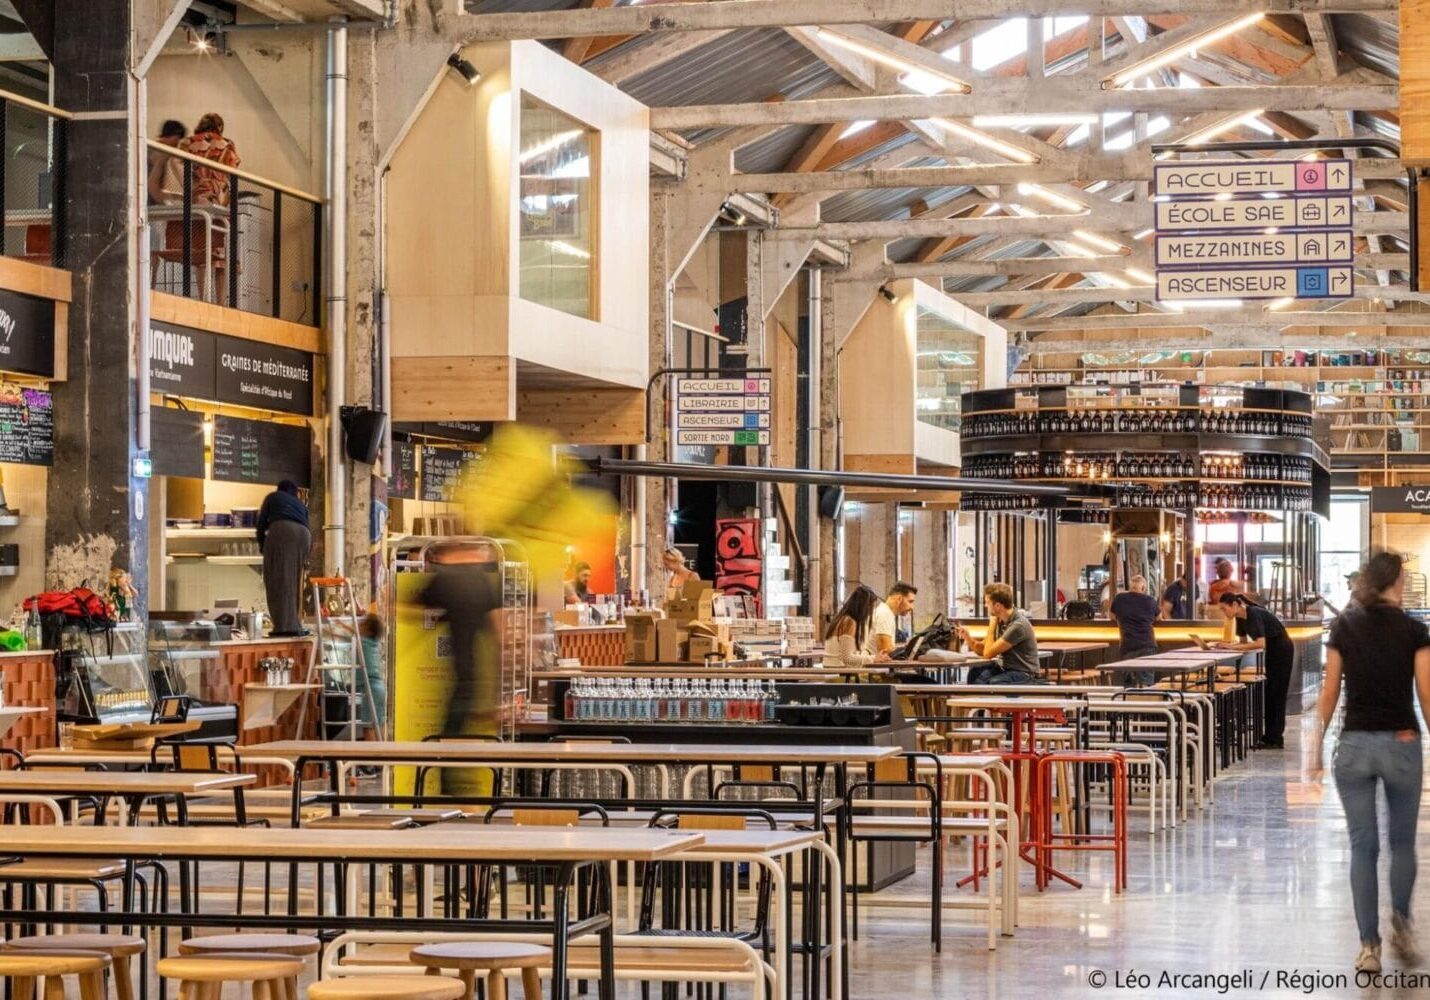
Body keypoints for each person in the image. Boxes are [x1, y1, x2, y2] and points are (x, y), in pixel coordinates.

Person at [1311, 552, 1430, 973]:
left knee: (1363, 846)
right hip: (1402, 741)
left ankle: (1368, 947)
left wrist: (1314, 747)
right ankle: (1402, 923)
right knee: (1401, 843)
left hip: (1355, 745)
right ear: (1397, 581)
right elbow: (1426, 693)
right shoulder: (1415, 630)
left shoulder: (1344, 626)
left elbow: (1329, 692)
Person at [420, 541, 502, 743]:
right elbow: (495, 622)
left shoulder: (446, 578)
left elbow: (414, 607)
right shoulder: (479, 580)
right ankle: (450, 748)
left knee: (461, 704)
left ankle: (447, 749)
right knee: (464, 702)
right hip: (478, 663)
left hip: (466, 664)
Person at [1214, 592, 1294, 749]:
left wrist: (1230, 647)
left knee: (1277, 694)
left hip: (1282, 650)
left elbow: (1260, 643)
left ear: (1235, 605)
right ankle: (1270, 736)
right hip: (1273, 651)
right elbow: (1243, 643)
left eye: (1224, 609)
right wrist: (1226, 645)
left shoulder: (1253, 614)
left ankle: (1275, 738)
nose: (1224, 613)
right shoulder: (1239, 618)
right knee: (1269, 693)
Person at [956, 583, 1043, 684]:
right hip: (1005, 669)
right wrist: (967, 638)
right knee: (975, 673)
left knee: (994, 682)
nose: (985, 606)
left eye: (987, 603)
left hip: (1024, 673)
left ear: (997, 606)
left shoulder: (1018, 625)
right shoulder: (1001, 621)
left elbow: (988, 654)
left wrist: (992, 624)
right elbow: (983, 650)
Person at [255, 480, 310, 636]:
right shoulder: (300, 505)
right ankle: (294, 624)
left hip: (283, 532)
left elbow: (261, 524)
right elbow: (307, 525)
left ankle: (283, 628)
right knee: (294, 582)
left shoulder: (273, 497)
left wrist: (263, 546)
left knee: (276, 580)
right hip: (304, 536)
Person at [177, 112, 241, 206]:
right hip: (220, 190)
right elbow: (232, 170)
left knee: (198, 213)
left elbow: (178, 165)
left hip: (198, 186)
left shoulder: (188, 142)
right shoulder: (228, 144)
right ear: (220, 126)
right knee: (219, 214)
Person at [1110, 575, 1160, 686]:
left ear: (1130, 587)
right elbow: (1159, 617)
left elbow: (1112, 615)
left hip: (1127, 645)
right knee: (1146, 682)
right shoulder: (1150, 601)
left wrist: (1123, 618)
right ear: (1143, 588)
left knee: (1128, 683)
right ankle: (1145, 695)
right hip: (1147, 645)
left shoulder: (1119, 598)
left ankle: (1129, 696)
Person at [823, 586, 888, 669]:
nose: (871, 610)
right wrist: (873, 658)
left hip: (833, 670)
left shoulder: (841, 618)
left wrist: (871, 657)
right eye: (870, 606)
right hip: (839, 672)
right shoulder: (849, 622)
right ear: (863, 606)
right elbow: (847, 658)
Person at [866, 581, 918, 656]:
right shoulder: (885, 614)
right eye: (910, 601)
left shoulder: (885, 612)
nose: (912, 607)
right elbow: (885, 651)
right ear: (899, 599)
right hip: (874, 663)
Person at [358, 613, 388, 736]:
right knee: (379, 724)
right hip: (380, 687)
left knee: (368, 726)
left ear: (368, 629)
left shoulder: (363, 642)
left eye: (363, 623)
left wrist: (340, 627)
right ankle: (381, 747)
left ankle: (370, 748)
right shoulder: (374, 642)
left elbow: (352, 635)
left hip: (371, 688)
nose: (360, 625)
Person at [147, 119, 186, 205]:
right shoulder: (162, 153)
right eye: (178, 140)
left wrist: (174, 196)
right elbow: (152, 185)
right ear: (175, 137)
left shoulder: (151, 149)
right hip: (148, 203)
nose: (177, 145)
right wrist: (165, 204)